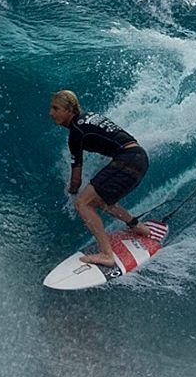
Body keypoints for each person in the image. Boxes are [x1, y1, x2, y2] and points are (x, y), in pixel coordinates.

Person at [48, 89, 150, 266]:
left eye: (56, 109)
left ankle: (106, 255)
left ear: (70, 110)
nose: (51, 113)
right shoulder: (90, 117)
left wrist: (71, 191)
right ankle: (137, 226)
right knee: (98, 200)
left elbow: (76, 180)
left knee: (83, 203)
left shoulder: (76, 132)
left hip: (127, 160)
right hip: (138, 157)